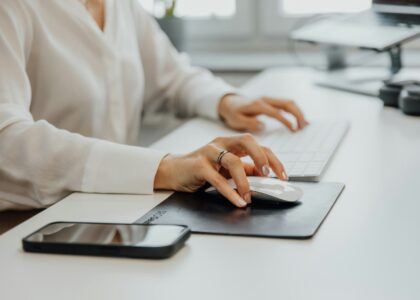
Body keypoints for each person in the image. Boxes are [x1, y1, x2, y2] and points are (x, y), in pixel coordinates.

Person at [0, 0, 308, 211]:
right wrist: (165, 168)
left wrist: (226, 101)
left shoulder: (122, 6)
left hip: (115, 208)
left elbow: (171, 76)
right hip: (32, 221)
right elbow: (7, 139)